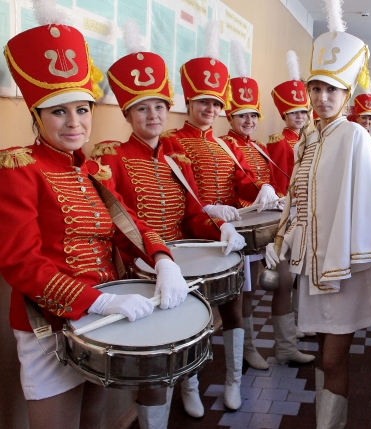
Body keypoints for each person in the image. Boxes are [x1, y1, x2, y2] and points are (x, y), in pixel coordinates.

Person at [1, 22, 185, 429]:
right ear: (37, 115)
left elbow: (128, 224)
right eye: (59, 111)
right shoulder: (19, 168)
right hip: (51, 323)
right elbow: (19, 262)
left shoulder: (91, 171)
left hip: (106, 316)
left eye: (82, 110)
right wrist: (96, 301)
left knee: (94, 418)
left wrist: (162, 258)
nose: (74, 123)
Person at [264, 14, 371, 427]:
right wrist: (282, 240)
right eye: (316, 88)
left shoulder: (355, 136)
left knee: (333, 358)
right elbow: (299, 199)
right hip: (314, 264)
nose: (322, 97)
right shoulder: (308, 138)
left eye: (332, 89)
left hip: (344, 264)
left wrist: (353, 251)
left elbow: (368, 200)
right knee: (323, 355)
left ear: (347, 94)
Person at [93, 49, 246, 424]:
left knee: (189, 334)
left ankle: (191, 386)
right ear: (127, 114)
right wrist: (156, 259)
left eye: (159, 107)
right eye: (142, 108)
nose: (153, 115)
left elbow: (193, 215)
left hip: (182, 263)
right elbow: (118, 222)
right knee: (154, 361)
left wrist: (221, 227)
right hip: (141, 268)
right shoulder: (110, 157)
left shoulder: (177, 158)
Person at [157, 48, 252, 417]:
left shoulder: (225, 143)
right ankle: (190, 386)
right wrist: (207, 209)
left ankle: (233, 381)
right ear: (189, 103)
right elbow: (175, 190)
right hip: (193, 237)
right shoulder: (171, 140)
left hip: (227, 237)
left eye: (215, 103)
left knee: (234, 308)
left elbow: (242, 179)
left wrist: (261, 188)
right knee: (191, 315)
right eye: (202, 102)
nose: (210, 109)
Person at [221, 72, 315, 371]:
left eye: (253, 115)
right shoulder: (225, 145)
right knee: (246, 293)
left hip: (270, 225)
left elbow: (273, 181)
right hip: (244, 229)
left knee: (285, 280)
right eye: (242, 115)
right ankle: (248, 350)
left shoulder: (259, 146)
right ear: (230, 116)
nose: (249, 120)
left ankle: (286, 347)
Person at [268, 50, 309, 192]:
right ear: (284, 115)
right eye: (293, 112)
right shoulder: (280, 142)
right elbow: (279, 181)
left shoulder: (306, 139)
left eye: (303, 112)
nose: (299, 116)